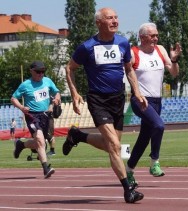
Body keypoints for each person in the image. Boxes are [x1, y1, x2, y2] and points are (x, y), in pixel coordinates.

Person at [62, 7, 147, 203]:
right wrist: (74, 93)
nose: (115, 21)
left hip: (118, 98)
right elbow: (69, 68)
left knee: (112, 146)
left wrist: (137, 91)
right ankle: (128, 190)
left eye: (116, 17)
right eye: (110, 18)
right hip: (98, 99)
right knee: (115, 146)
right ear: (99, 23)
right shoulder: (87, 47)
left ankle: (77, 136)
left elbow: (129, 70)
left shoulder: (123, 43)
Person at [125, 23, 182, 187]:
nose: (156, 38)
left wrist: (174, 59)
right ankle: (154, 162)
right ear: (142, 37)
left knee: (144, 138)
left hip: (157, 100)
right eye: (152, 36)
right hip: (140, 100)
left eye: (157, 35)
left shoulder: (161, 50)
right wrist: (137, 93)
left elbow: (174, 73)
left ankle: (128, 171)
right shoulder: (133, 52)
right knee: (159, 126)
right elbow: (128, 73)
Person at [11, 60, 61, 179]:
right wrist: (22, 107)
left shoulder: (48, 81)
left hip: (45, 116)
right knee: (40, 140)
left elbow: (57, 92)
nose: (41, 74)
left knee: (40, 143)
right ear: (31, 71)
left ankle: (21, 145)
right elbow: (13, 98)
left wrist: (56, 99)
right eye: (38, 72)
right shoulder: (25, 85)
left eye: (43, 71)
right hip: (32, 116)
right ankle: (46, 168)